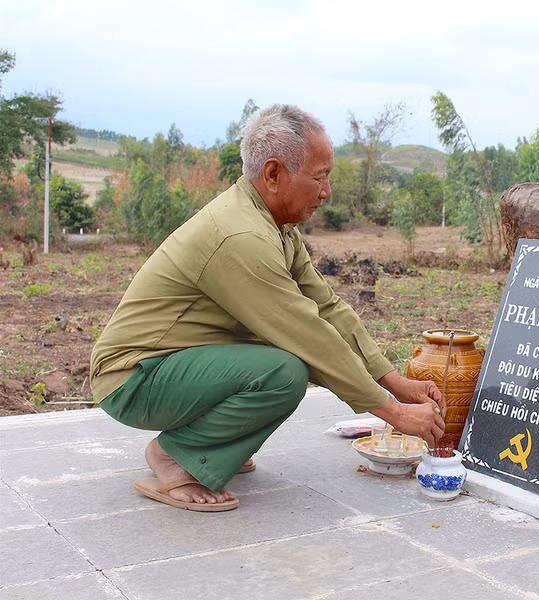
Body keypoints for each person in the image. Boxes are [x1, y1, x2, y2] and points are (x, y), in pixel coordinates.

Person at [90, 104, 445, 512]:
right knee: (284, 370)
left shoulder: (275, 225)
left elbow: (326, 308)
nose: (326, 192)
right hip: (134, 378)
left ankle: (214, 445)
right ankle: (174, 456)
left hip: (170, 364)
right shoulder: (241, 237)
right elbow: (308, 335)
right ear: (274, 174)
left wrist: (395, 382)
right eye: (320, 177)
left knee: (283, 361)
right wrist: (393, 411)